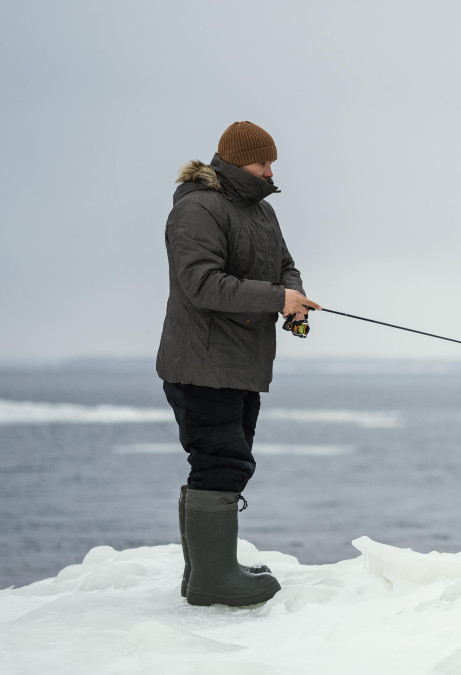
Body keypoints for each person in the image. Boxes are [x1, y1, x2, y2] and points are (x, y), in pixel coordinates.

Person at [157, 121, 320, 606]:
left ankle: (206, 570)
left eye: (272, 163)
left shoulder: (261, 211)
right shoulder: (197, 210)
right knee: (222, 462)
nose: (270, 172)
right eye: (261, 162)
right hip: (201, 364)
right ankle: (212, 580)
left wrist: (292, 294)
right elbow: (201, 284)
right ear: (232, 161)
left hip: (241, 364)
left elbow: (286, 265)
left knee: (225, 461)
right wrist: (277, 297)